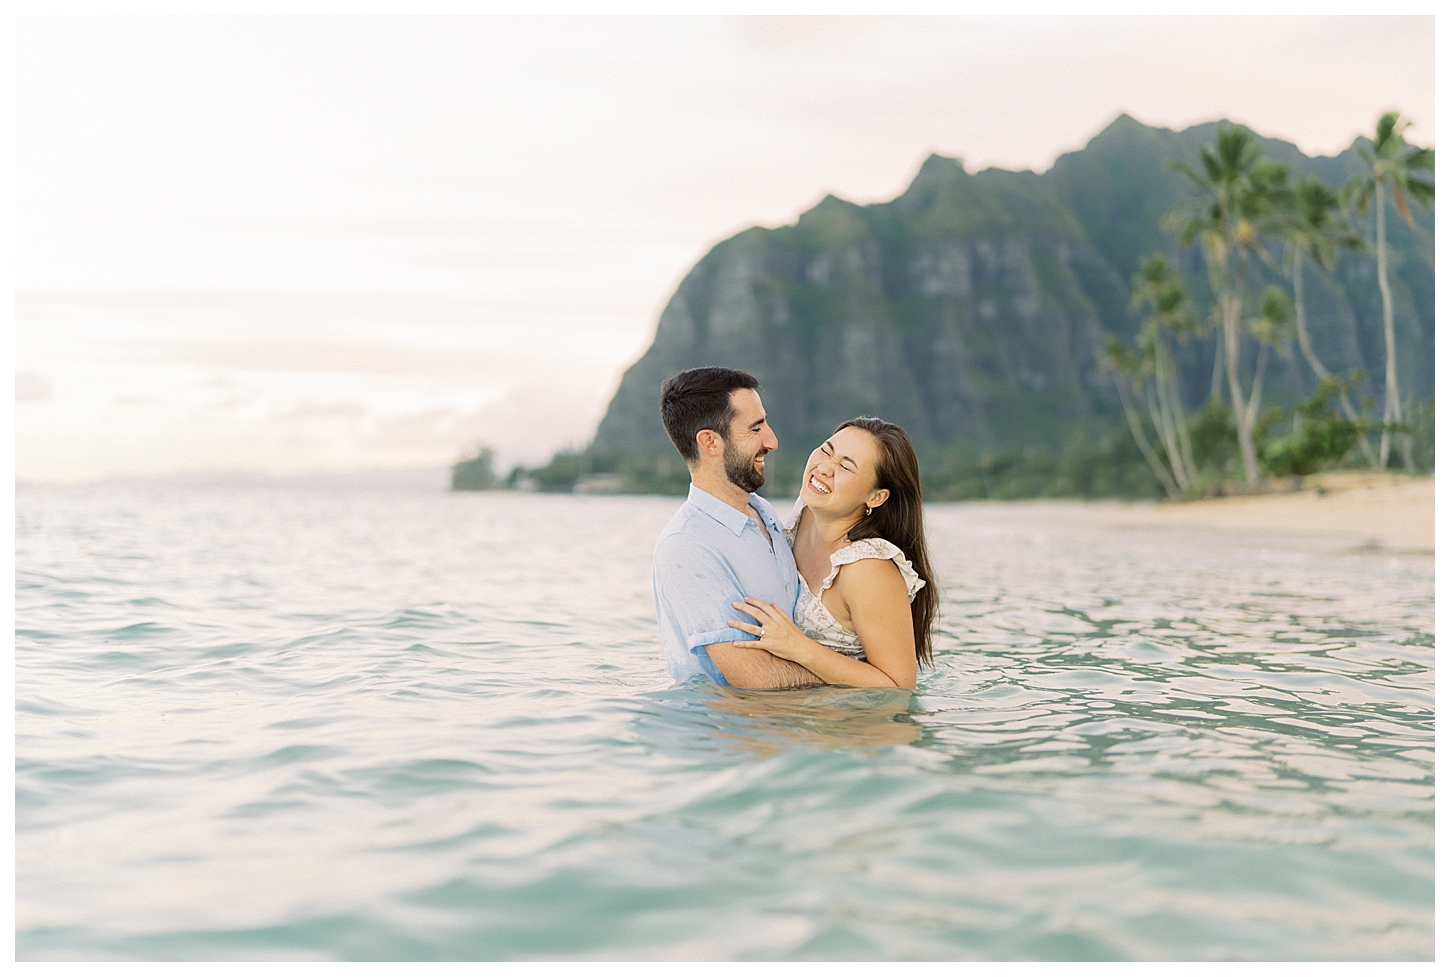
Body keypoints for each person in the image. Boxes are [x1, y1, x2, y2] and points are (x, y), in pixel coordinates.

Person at [726, 417, 938, 690]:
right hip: (798, 712)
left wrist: (799, 648)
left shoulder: (867, 569)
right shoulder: (806, 512)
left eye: (846, 466)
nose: (824, 468)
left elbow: (900, 686)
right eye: (826, 450)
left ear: (876, 497)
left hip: (851, 723)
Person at [652, 367, 824, 689]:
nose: (771, 441)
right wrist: (861, 677)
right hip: (726, 735)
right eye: (755, 428)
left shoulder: (763, 512)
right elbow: (755, 678)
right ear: (710, 442)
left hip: (789, 727)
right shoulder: (686, 546)